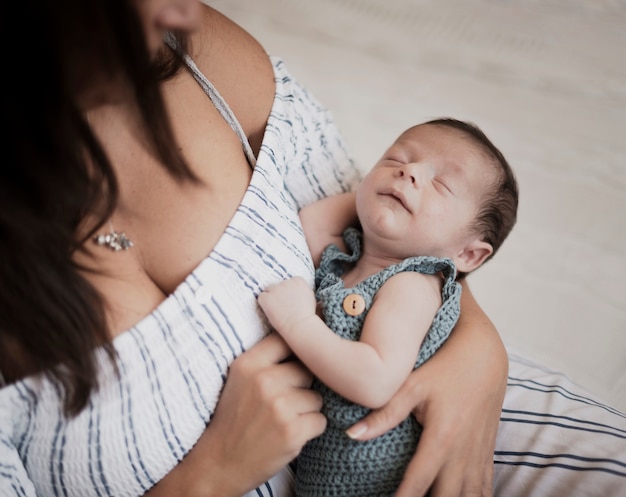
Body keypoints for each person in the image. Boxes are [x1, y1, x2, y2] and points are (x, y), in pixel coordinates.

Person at [6, 0, 595, 495]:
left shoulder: (184, 47)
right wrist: (211, 475)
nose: (184, 12)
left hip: (438, 402)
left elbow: (389, 230)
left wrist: (478, 352)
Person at [258, 118, 519, 496]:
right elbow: (309, 225)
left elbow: (375, 381)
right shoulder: (348, 259)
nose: (408, 171)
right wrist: (371, 195)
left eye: (442, 184)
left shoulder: (413, 285)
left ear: (466, 253)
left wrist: (298, 322)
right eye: (397, 157)